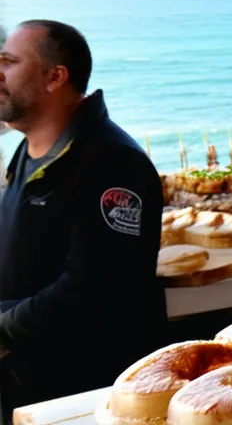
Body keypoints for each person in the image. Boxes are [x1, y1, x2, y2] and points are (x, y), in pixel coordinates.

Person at [0, 21, 164, 416]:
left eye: (8, 61)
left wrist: (4, 325)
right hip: (30, 383)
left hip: (84, 393)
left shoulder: (112, 162)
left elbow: (95, 286)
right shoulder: (31, 150)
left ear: (55, 77)